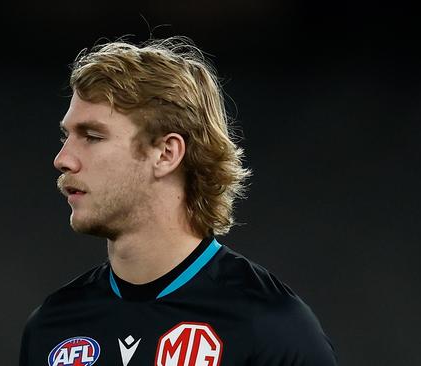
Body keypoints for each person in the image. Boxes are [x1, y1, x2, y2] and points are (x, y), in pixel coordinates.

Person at [19, 36, 338, 366]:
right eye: (66, 135)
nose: (63, 158)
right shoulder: (51, 328)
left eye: (92, 136)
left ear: (166, 154)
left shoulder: (271, 328)